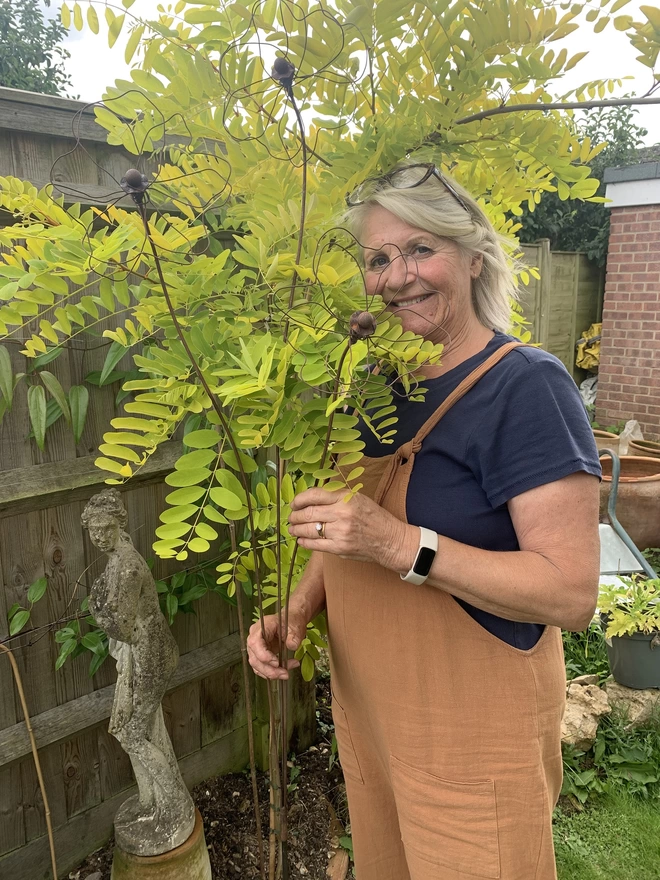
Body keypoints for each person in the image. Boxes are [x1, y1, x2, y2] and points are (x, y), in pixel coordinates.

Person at [247, 163, 601, 880]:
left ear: (473, 257)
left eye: (419, 249)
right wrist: (299, 606)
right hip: (374, 724)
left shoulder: (524, 387)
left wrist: (400, 544)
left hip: (472, 745)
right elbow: (346, 526)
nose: (396, 275)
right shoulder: (374, 384)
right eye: (378, 259)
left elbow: (571, 594)